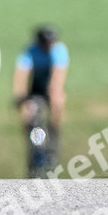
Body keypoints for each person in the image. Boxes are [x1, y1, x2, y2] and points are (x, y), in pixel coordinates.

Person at [13, 25, 68, 169]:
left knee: (57, 105)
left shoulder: (59, 51)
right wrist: (20, 96)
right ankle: (32, 145)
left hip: (51, 88)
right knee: (28, 114)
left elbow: (58, 76)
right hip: (35, 90)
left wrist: (55, 95)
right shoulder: (30, 52)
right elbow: (21, 75)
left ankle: (53, 142)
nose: (48, 46)